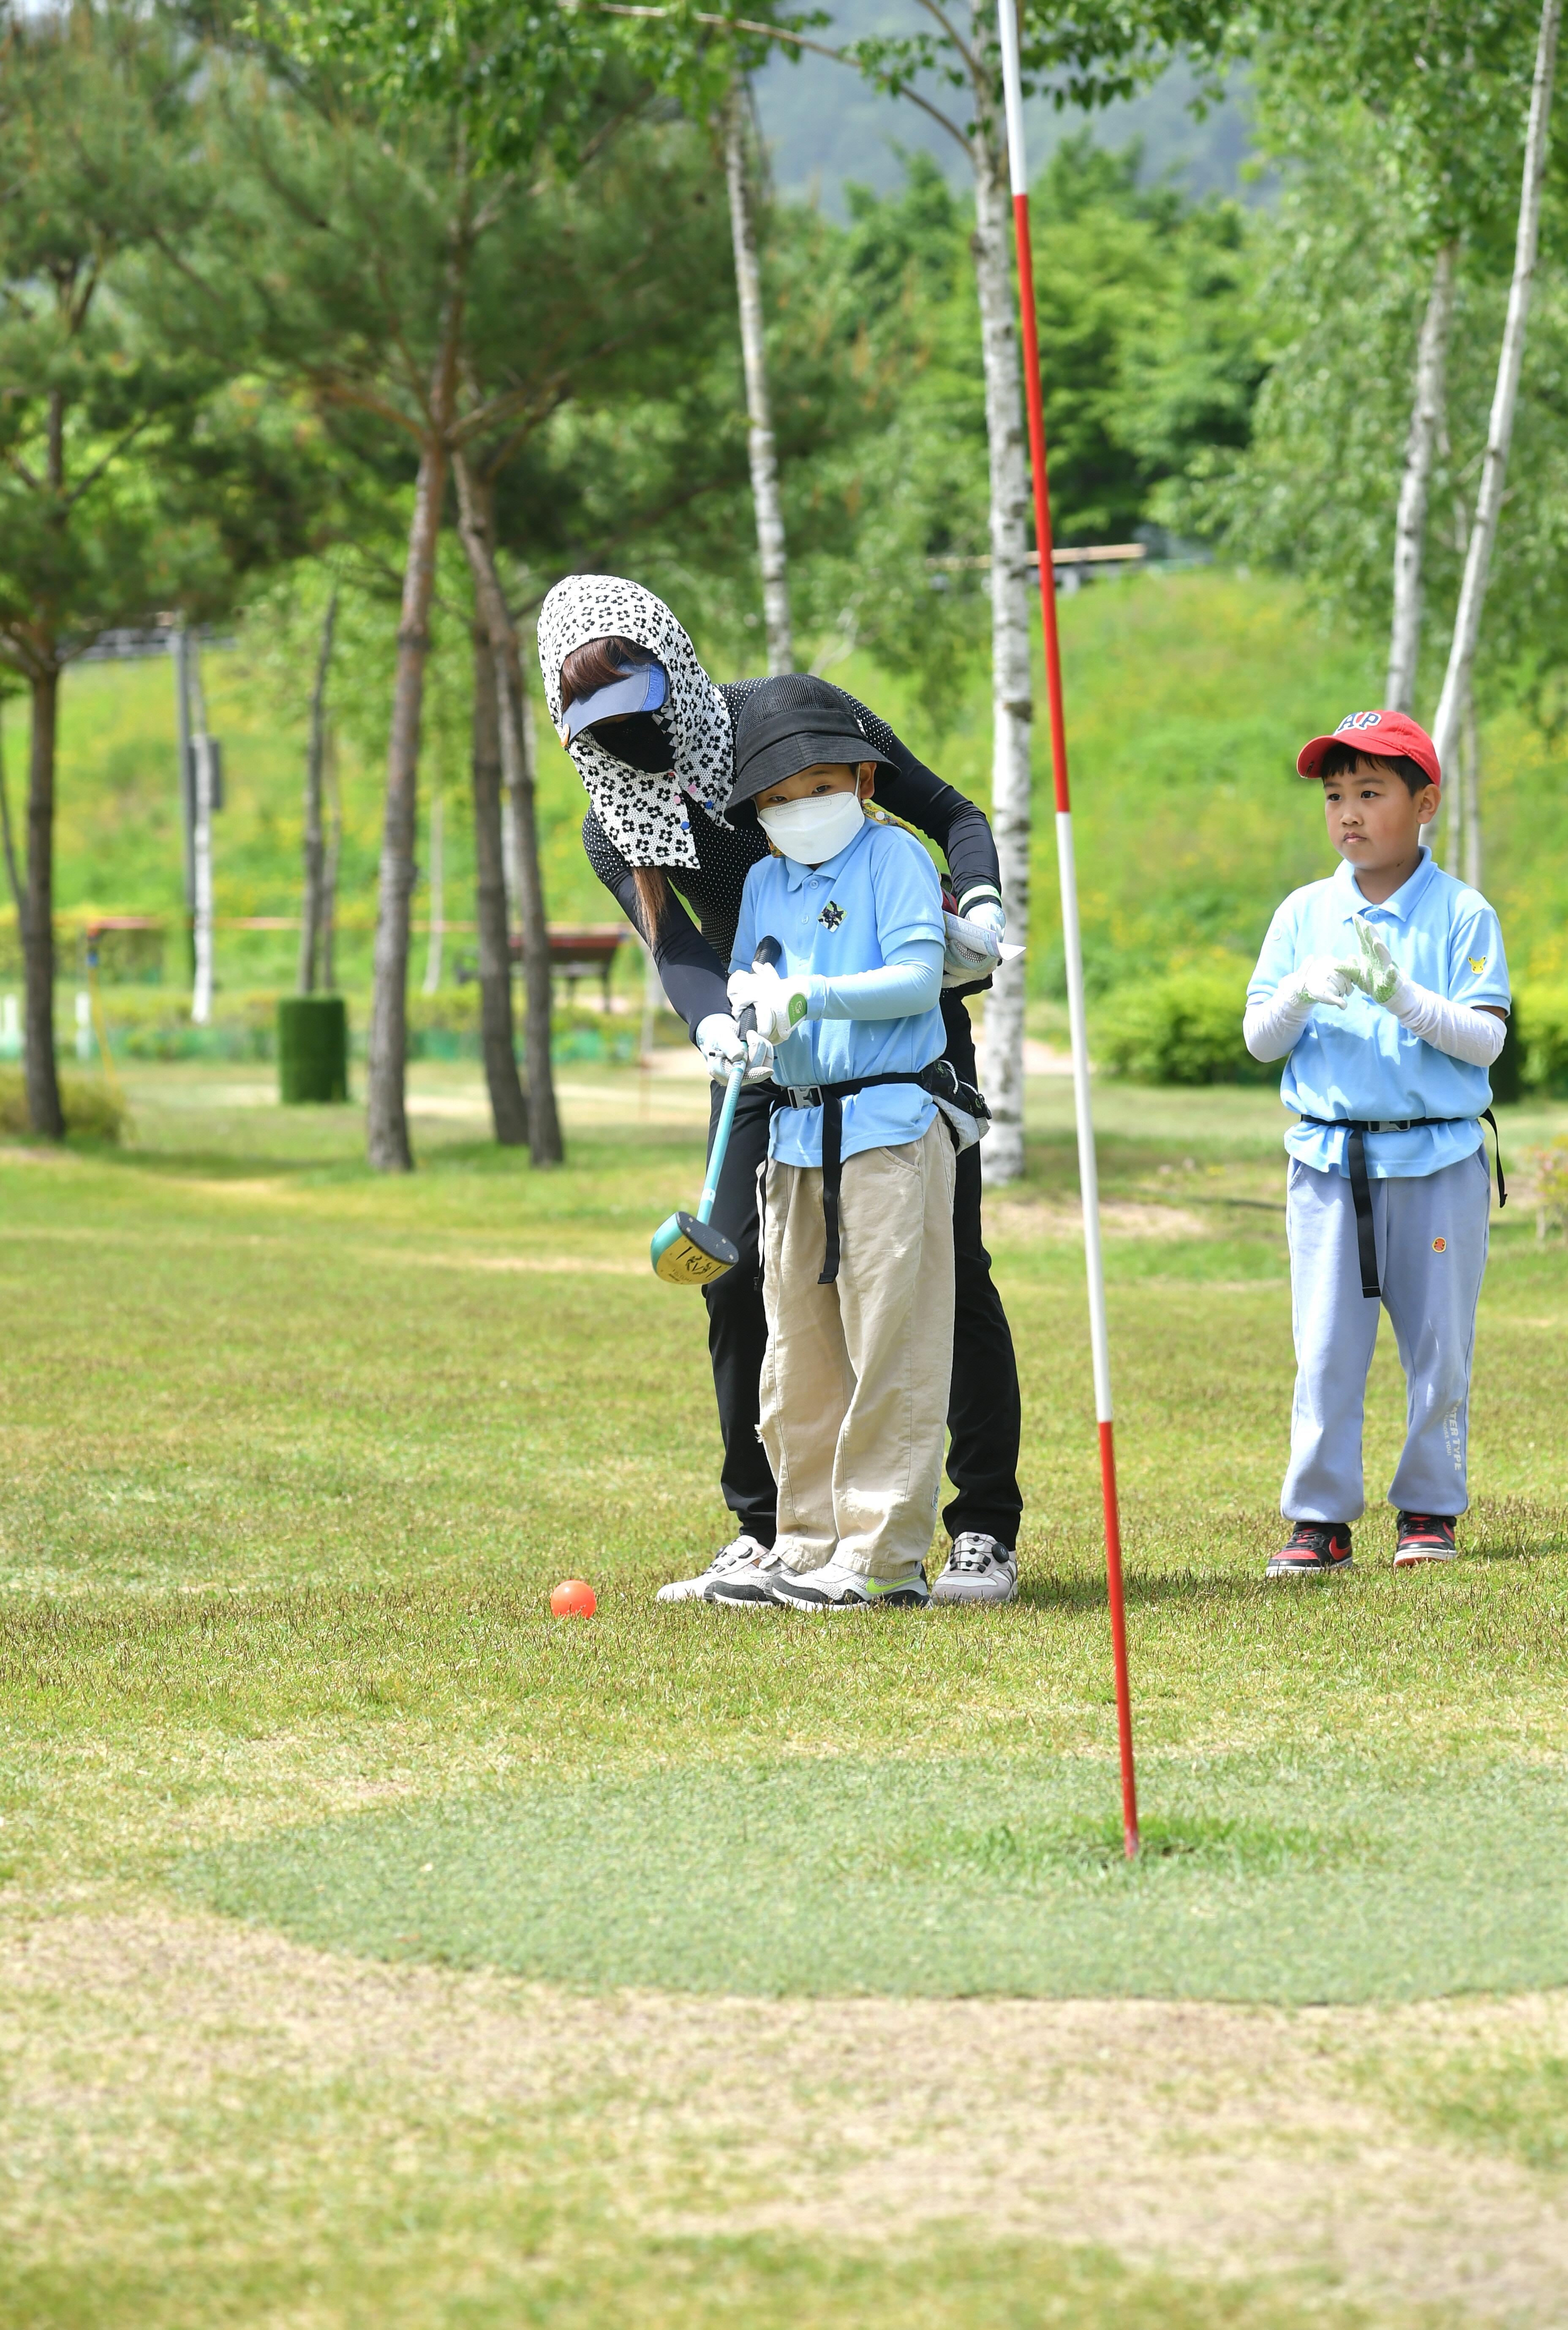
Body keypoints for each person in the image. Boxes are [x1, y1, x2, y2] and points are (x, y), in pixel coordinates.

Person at [536, 574, 1022, 1606]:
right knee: (736, 1271)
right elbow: (676, 946)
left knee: (943, 1269)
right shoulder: (608, 826)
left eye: (640, 708)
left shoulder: (787, 717)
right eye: (600, 730)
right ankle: (771, 1532)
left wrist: (974, 900)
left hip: (895, 1033)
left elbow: (946, 810)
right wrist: (713, 1022)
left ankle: (979, 1524)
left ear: (672, 664)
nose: (632, 739)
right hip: (757, 1045)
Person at [714, 676, 965, 1608]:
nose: (793, 810)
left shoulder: (893, 858)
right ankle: (806, 1540)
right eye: (773, 801)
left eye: (810, 789)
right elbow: (752, 982)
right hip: (792, 1130)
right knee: (798, 1347)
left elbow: (912, 979)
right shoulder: (761, 879)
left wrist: (811, 996)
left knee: (888, 1342)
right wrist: (738, 1025)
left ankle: (884, 1556)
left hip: (888, 1125)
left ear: (859, 780)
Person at [1244, 709, 1511, 1579]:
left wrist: (1398, 993)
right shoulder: (1301, 912)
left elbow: (1483, 1039)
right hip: (1328, 1164)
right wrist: (1300, 990)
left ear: (1424, 801)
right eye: (1333, 795)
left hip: (1434, 1162)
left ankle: (1428, 1506)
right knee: (1324, 1348)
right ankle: (1317, 1516)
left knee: (1437, 1344)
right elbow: (1259, 1039)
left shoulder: (1462, 914)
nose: (1347, 813)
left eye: (1369, 792)